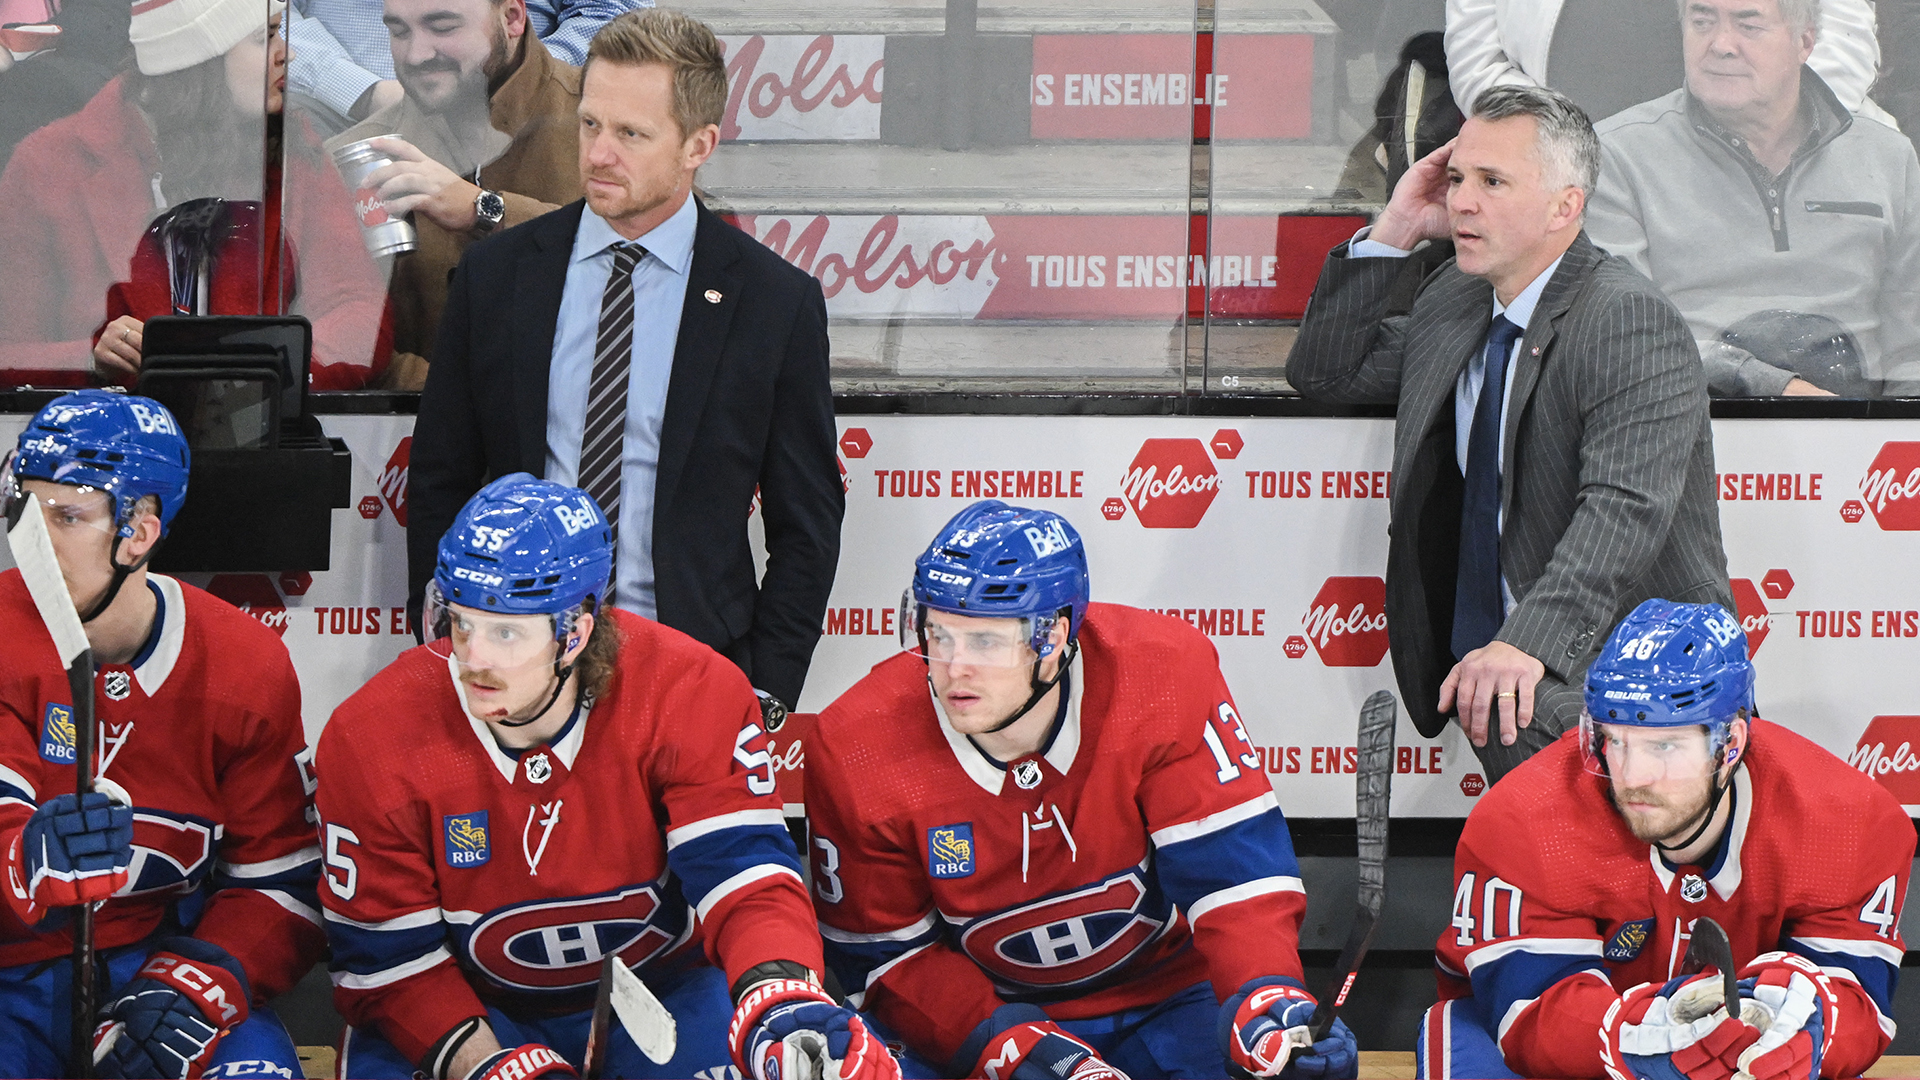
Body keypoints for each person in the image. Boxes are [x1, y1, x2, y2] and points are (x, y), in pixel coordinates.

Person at [317, 474, 892, 1080]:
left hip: (661, 991)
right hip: (466, 1002)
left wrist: (778, 995)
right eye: (461, 622)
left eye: (507, 631)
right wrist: (484, 1063)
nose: (474, 658)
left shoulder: (688, 690)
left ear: (576, 632)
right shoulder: (372, 734)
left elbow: (744, 876)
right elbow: (387, 963)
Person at [805, 500, 1357, 1080]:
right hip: (986, 1014)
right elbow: (889, 963)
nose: (953, 667)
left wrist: (1264, 996)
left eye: (987, 642)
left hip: (1168, 997)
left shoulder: (1163, 676)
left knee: (1291, 1070)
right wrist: (1007, 1046)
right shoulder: (855, 745)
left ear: (1056, 636)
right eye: (939, 634)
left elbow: (1234, 880)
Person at [409, 7, 842, 728]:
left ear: (699, 144)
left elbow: (808, 520)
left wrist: (767, 684)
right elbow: (441, 478)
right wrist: (443, 631)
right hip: (516, 662)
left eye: (631, 134)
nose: (599, 154)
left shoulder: (774, 303)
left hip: (693, 668)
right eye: (590, 125)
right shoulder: (497, 277)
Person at [1287, 83, 1732, 782]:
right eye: (1458, 178)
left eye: (1493, 181)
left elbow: (1622, 513)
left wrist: (1525, 645)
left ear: (1566, 206)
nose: (1463, 200)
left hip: (1629, 671)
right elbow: (1327, 373)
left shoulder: (1627, 319)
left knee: (1611, 879)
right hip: (1503, 668)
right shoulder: (1459, 296)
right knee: (1544, 859)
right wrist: (1399, 225)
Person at [1417, 599, 1910, 1080]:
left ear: (1730, 744)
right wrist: (1644, 1038)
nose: (1632, 776)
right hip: (1524, 1041)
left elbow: (1856, 1003)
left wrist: (1805, 1025)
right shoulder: (1523, 820)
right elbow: (1534, 1016)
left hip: (1735, 1046)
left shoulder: (1848, 823)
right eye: (1615, 741)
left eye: (1665, 745)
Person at [0, 391, 323, 1079]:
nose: (34, 539)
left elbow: (282, 882)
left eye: (68, 516)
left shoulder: (243, 666)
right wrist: (25, 858)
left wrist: (193, 990)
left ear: (140, 532)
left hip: (157, 956)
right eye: (26, 508)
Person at [0, 0, 390, 390]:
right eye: (264, 38)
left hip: (261, 436)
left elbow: (358, 308)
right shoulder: (48, 166)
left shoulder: (291, 149)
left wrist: (266, 373)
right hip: (107, 442)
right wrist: (89, 357)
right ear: (200, 58)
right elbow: (11, 350)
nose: (287, 53)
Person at [1587, 0, 1920, 397]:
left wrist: (1893, 436)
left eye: (1749, 25)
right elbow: (1621, 335)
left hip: (1862, 438)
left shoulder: (1888, 158)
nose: (1721, 44)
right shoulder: (1615, 157)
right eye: (1702, 21)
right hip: (1684, 429)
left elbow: (1911, 347)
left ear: (1805, 41)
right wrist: (1777, 390)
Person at [323, 0, 590, 387]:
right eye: (399, 31)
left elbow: (666, 267)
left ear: (513, 17)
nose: (415, 54)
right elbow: (347, 345)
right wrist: (455, 402)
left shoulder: (606, 123)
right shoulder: (353, 157)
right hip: (413, 435)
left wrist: (486, 211)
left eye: (443, 27)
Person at [1444, 0, 1882, 123]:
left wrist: (1759, 146)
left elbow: (1839, 45)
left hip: (1754, 191)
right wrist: (1565, 151)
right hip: (1570, 199)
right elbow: (1477, 65)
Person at [286, 0, 640, 133]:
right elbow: (257, 13)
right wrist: (359, 91)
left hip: (519, 124)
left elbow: (613, 10)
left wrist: (523, 78)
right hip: (338, 120)